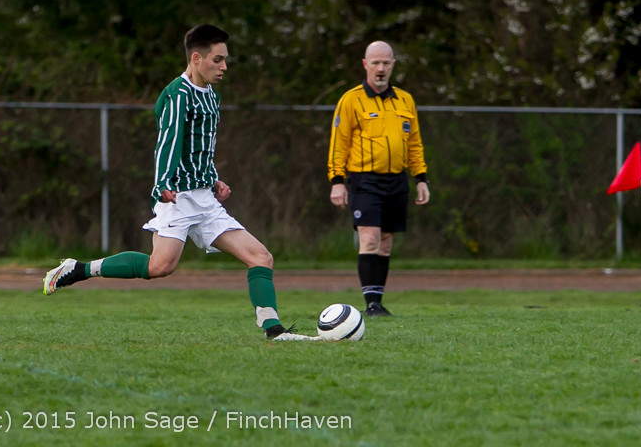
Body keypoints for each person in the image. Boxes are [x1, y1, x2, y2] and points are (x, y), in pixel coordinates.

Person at [43, 24, 314, 341]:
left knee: (260, 257)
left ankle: (275, 331)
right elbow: (168, 144)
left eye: (226, 59)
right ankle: (79, 269)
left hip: (206, 200)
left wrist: (214, 178)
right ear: (197, 58)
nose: (224, 66)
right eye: (218, 59)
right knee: (160, 267)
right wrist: (162, 184)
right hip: (179, 197)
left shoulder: (211, 95)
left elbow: (200, 146)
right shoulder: (176, 95)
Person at [327, 41, 430, 317]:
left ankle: (378, 301)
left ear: (393, 65)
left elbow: (415, 143)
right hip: (364, 180)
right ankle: (371, 303)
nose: (381, 68)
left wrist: (421, 177)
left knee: (386, 241)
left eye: (386, 63)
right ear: (365, 65)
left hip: (396, 180)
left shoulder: (405, 100)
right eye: (375, 63)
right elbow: (340, 142)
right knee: (369, 239)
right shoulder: (351, 99)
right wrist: (337, 180)